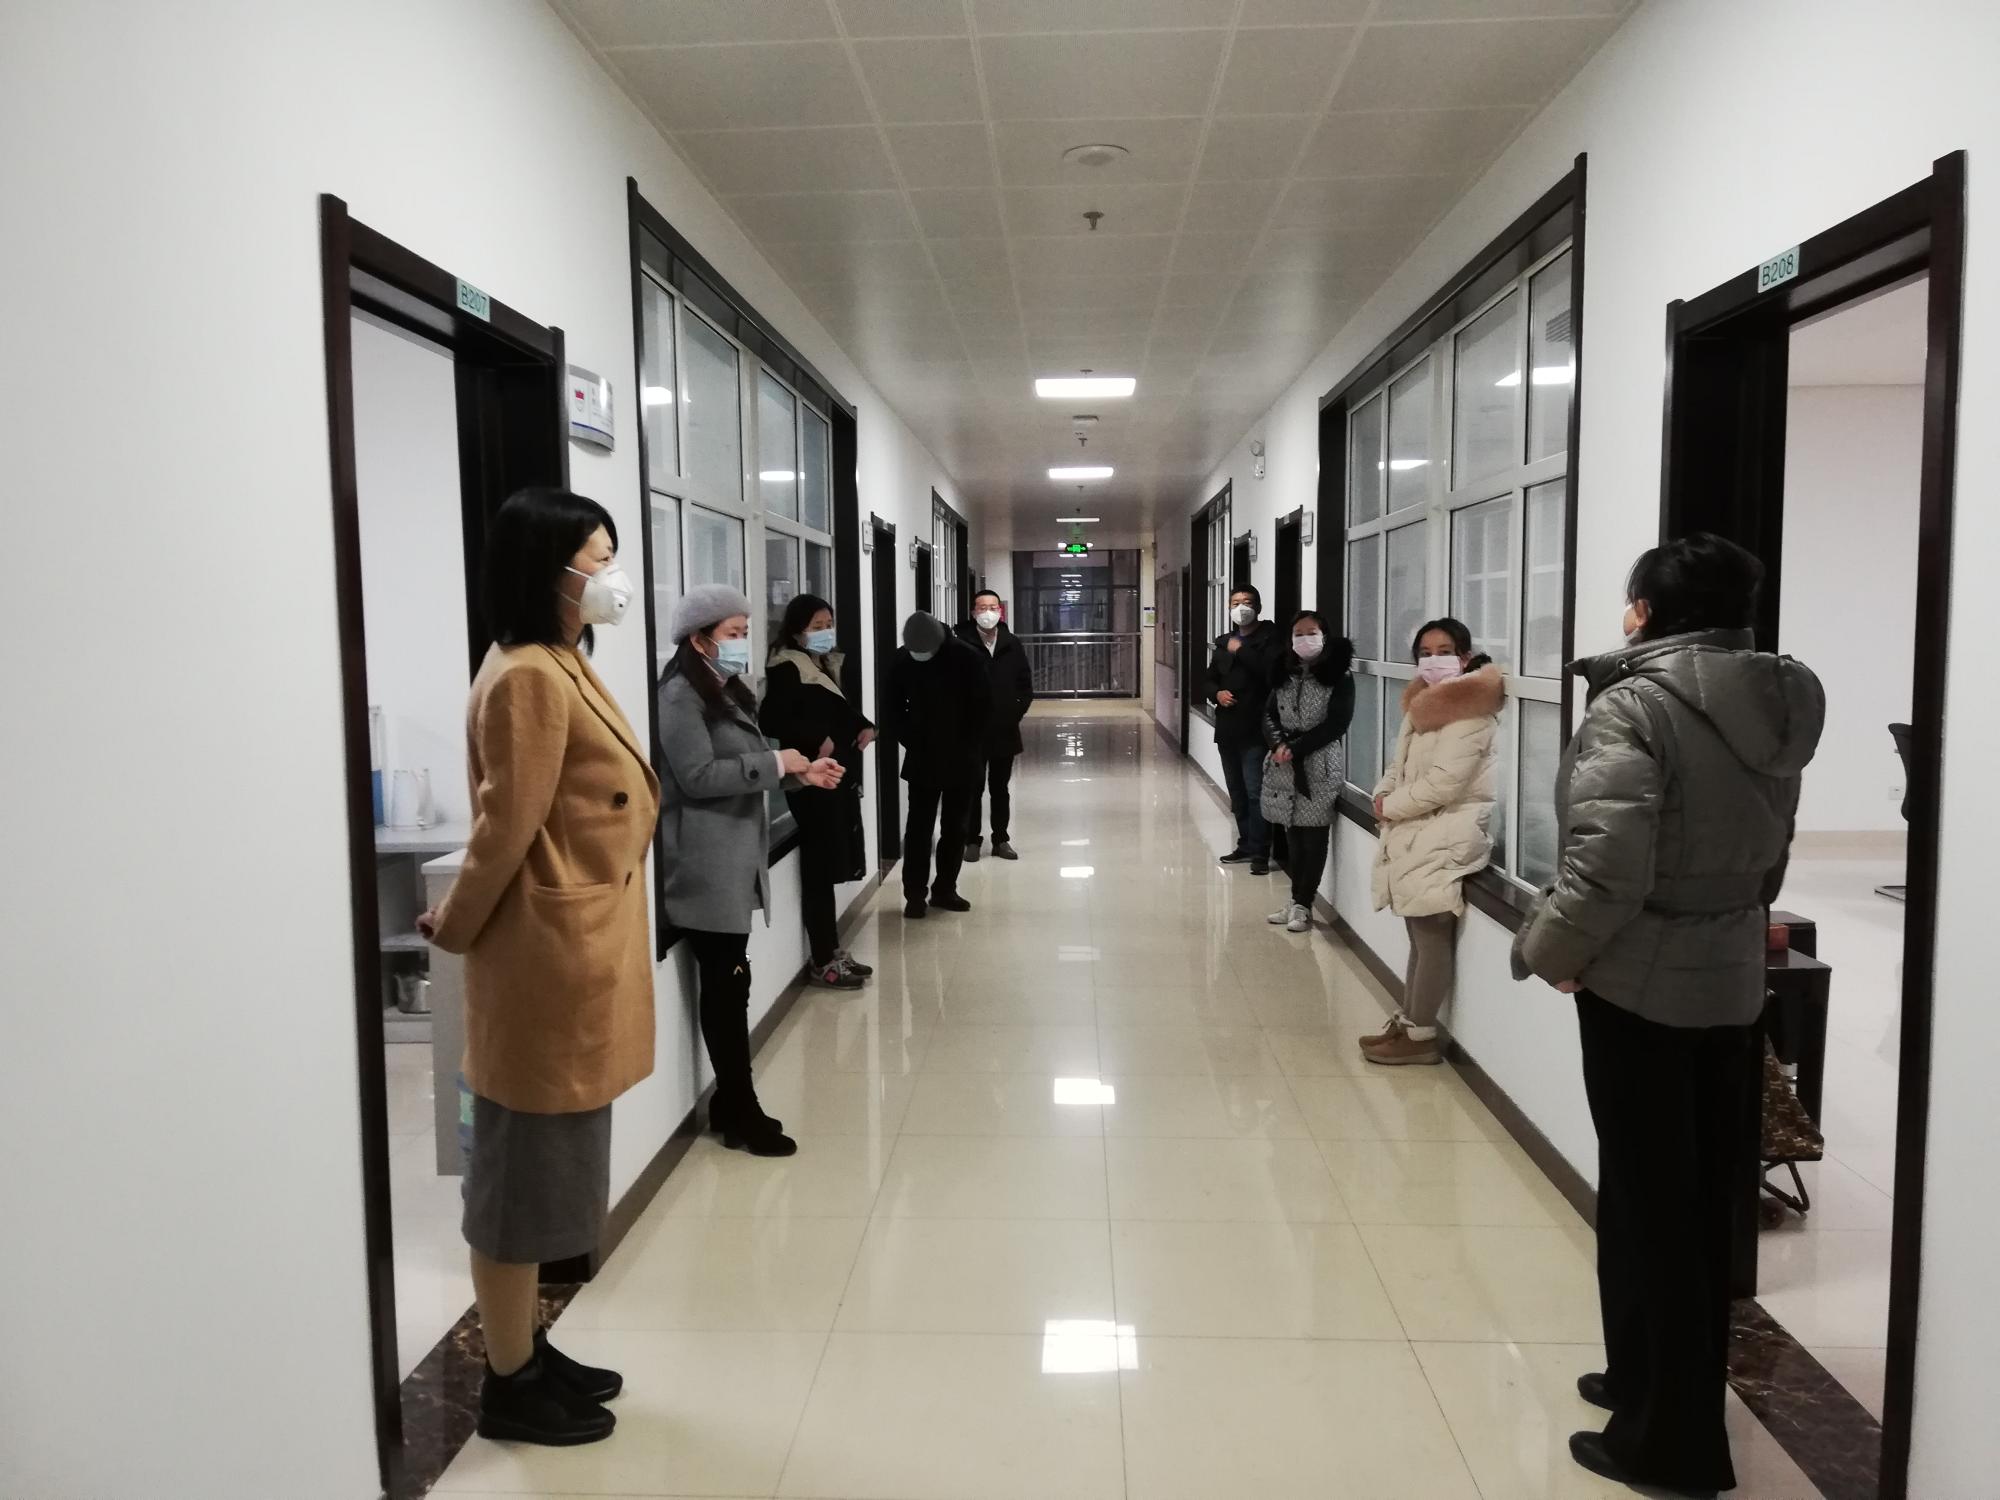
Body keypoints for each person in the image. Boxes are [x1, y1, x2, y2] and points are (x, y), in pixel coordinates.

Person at [1511, 534, 1823, 1498]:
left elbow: (1607, 867)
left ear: (1645, 611)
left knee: (1654, 1208)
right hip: (1728, 976)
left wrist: (1548, 952)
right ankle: (1640, 1378)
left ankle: (1671, 1444)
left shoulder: (1636, 705)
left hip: (1640, 985)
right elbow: (1771, 850)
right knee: (1682, 1200)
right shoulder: (1776, 699)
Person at [417, 487, 658, 1447]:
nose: (611, 576)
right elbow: (503, 828)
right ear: (546, 572)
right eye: (597, 560)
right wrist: (455, 925)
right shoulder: (525, 674)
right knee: (516, 1185)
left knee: (555, 1172)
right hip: (542, 960)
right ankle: (508, 1384)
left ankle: (528, 1349)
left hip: (576, 947)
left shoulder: (560, 657)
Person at [657, 585, 844, 1160]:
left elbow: (747, 768)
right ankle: (742, 1109)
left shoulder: (724, 689)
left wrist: (799, 775)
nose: (742, 643)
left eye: (744, 632)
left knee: (730, 983)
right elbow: (696, 777)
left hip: (731, 857)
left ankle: (729, 1104)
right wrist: (775, 762)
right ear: (699, 639)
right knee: (727, 987)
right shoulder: (679, 696)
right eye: (733, 634)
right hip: (702, 864)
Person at [1362, 618, 1503, 1067]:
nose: (1433, 660)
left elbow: (1445, 784)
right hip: (1418, 829)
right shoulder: (1423, 705)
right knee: (1418, 934)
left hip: (1446, 834)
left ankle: (1421, 1036)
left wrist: (1390, 807)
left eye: (1444, 652)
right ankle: (1409, 1022)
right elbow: (1399, 766)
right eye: (1425, 653)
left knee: (1430, 935)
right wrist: (1382, 794)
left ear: (1464, 657)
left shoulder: (1470, 713)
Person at [761, 594, 875, 989]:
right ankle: (823, 957)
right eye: (817, 626)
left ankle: (831, 950)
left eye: (829, 624)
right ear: (797, 632)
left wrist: (863, 724)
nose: (826, 632)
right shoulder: (786, 667)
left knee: (828, 865)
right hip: (808, 781)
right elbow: (771, 719)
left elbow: (838, 709)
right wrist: (815, 739)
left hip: (831, 777)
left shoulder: (820, 662)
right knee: (819, 869)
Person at [889, 611, 989, 919]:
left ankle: (945, 889)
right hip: (922, 757)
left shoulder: (967, 658)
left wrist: (969, 745)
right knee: (918, 829)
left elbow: (983, 709)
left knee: (955, 828)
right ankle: (914, 894)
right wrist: (910, 738)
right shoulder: (902, 659)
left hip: (962, 757)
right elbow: (892, 706)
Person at [1260, 611, 1355, 933]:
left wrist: (1297, 747)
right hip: (1284, 764)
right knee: (1294, 836)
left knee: (1313, 838)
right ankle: (1294, 899)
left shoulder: (1339, 676)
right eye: (1298, 633)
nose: (1305, 639)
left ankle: (1304, 904)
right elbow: (1269, 714)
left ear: (1324, 635)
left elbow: (1337, 723)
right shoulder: (1283, 672)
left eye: (1311, 632)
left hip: (1319, 765)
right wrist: (1277, 743)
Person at [1204, 584, 1285, 874]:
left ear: (1258, 607)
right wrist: (1217, 694)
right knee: (1237, 792)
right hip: (1228, 729)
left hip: (1256, 729)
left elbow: (1270, 673)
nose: (1241, 608)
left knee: (1255, 791)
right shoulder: (1224, 642)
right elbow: (1209, 679)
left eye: (1247, 602)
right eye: (1235, 603)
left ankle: (1261, 852)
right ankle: (1246, 844)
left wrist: (1241, 650)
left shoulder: (1271, 638)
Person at [955, 589, 1033, 863]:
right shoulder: (960, 642)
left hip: (1004, 729)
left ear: (1000, 611)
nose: (987, 612)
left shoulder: (1012, 643)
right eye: (982, 607)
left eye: (992, 607)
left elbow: (1025, 684)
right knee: (972, 788)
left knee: (1000, 788)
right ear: (973, 612)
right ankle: (971, 840)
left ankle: (1001, 839)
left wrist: (1014, 712)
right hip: (971, 732)